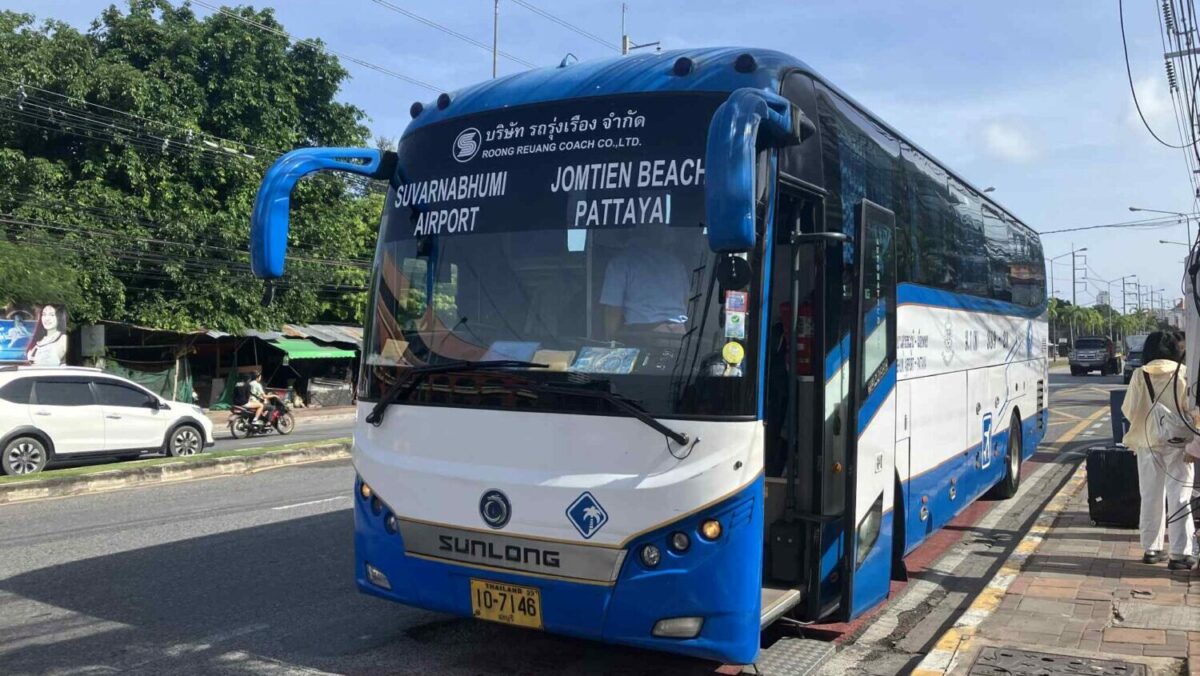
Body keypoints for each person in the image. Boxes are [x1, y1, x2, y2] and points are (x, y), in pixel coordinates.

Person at [1121, 329, 1197, 569]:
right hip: (1179, 445)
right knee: (1180, 496)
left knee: (1151, 495)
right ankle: (1179, 553)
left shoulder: (1139, 375)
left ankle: (1152, 549)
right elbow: (1192, 412)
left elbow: (1129, 410)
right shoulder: (1184, 373)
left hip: (1147, 443)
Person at [599, 224, 690, 339]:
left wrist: (610, 344)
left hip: (645, 337)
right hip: (680, 334)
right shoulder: (675, 262)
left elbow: (613, 311)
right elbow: (686, 300)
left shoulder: (619, 263)